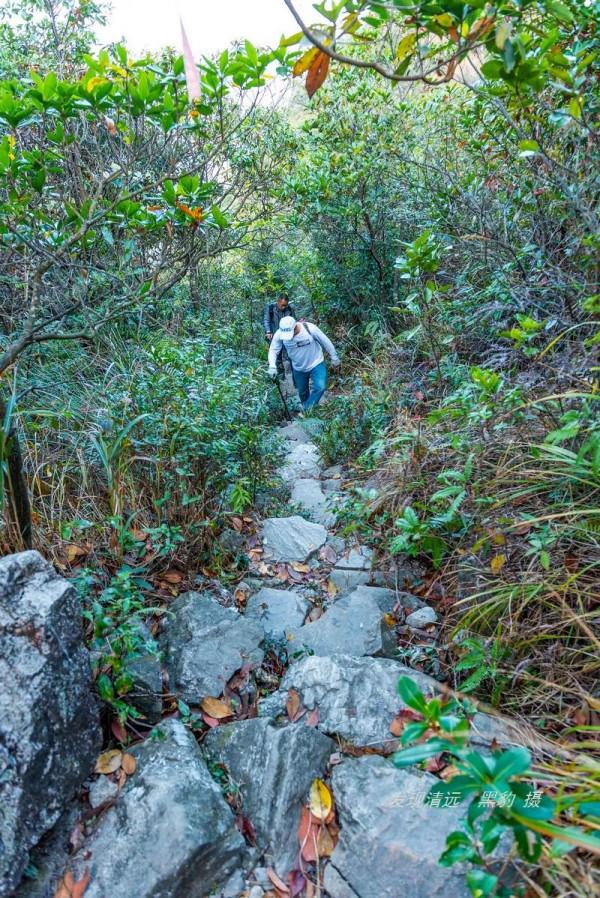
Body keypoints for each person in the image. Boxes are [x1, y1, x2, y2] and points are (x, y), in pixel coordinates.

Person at [268, 316, 340, 411]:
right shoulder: (279, 334)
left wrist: (334, 357)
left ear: (295, 327)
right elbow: (273, 350)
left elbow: (325, 341)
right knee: (302, 393)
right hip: (298, 367)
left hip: (316, 362)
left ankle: (306, 410)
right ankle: (310, 414)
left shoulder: (310, 329)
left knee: (320, 387)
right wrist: (272, 366)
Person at [263, 293, 296, 374]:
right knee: (276, 355)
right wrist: (268, 331)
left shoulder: (290, 309)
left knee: (290, 354)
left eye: (286, 305)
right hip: (274, 335)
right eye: (282, 305)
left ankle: (292, 375)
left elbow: (294, 321)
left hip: (288, 335)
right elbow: (266, 320)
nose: (284, 307)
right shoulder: (270, 308)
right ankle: (279, 377)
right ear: (278, 302)